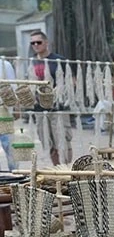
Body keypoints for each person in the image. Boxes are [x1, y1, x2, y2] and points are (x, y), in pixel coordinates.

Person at [28, 31, 71, 165]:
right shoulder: (31, 62)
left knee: (63, 140)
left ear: (46, 43)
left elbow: (71, 82)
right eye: (32, 43)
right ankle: (57, 169)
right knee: (47, 140)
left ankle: (67, 169)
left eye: (38, 42)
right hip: (39, 108)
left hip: (58, 107)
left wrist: (59, 91)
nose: (35, 45)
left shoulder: (59, 61)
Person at [0, 57, 16, 170]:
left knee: (8, 144)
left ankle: (15, 174)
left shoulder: (5, 65)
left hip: (4, 109)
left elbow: (13, 86)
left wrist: (16, 107)